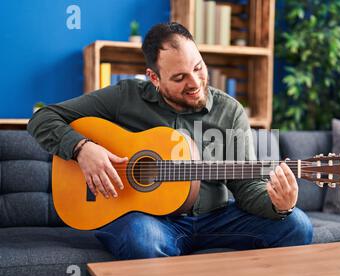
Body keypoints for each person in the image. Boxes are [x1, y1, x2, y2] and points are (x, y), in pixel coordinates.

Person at [27, 22, 313, 260]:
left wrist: (278, 204)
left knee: (296, 225)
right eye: (179, 77)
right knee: (142, 237)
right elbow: (43, 117)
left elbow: (247, 186)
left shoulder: (230, 111)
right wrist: (82, 149)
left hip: (216, 219)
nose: (195, 82)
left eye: (198, 68)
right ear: (154, 77)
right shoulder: (124, 96)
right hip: (149, 220)